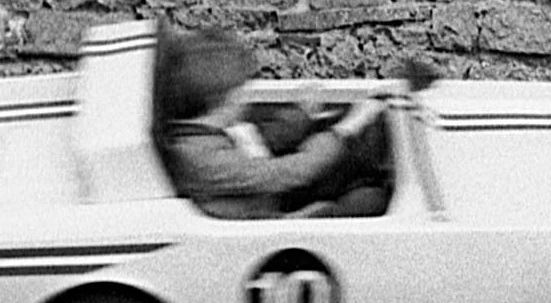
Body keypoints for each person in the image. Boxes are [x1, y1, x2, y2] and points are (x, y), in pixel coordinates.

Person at [157, 27, 389, 221]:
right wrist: (345, 129)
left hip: (266, 197)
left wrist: (302, 114)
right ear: (223, 99)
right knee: (370, 200)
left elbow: (264, 139)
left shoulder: (199, 135)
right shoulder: (199, 157)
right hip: (268, 220)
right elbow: (286, 173)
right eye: (240, 92)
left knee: (350, 159)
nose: (244, 98)